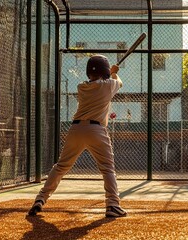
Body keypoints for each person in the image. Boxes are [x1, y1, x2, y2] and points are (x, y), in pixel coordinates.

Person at [28, 55, 127, 218]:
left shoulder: (82, 86)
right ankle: (113, 205)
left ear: (89, 72)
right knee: (107, 168)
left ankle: (40, 199)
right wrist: (114, 72)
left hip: (75, 129)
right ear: (105, 72)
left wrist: (109, 73)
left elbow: (100, 82)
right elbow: (119, 82)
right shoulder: (109, 85)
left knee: (61, 166)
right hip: (96, 130)